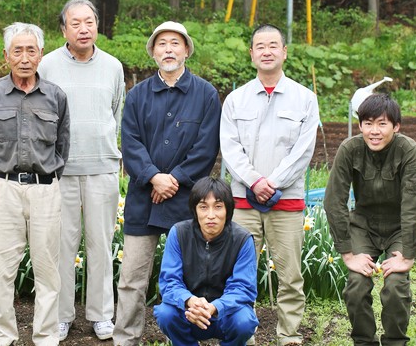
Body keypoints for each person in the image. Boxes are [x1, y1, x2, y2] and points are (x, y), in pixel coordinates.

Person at [113, 21, 221, 346]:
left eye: (176, 43)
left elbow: (206, 148)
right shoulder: (138, 95)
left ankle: (188, 336)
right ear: (153, 52)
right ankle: (125, 339)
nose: (169, 49)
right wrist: (153, 177)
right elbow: (130, 142)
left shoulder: (205, 94)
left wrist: (174, 179)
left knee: (194, 275)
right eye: (162, 44)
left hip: (187, 200)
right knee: (132, 276)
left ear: (187, 50)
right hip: (143, 199)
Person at [220, 24, 319, 346]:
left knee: (289, 274)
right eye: (260, 46)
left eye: (273, 45)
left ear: (284, 52)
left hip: (286, 202)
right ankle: (242, 334)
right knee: (239, 273)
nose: (267, 51)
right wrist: (254, 181)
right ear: (251, 54)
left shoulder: (305, 98)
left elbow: (303, 150)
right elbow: (230, 148)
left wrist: (272, 183)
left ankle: (288, 334)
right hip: (243, 203)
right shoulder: (236, 100)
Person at [0, 23, 70, 346]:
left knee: (47, 270)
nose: (25, 57)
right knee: (2, 270)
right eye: (18, 50)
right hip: (4, 189)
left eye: (31, 50)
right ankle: (3, 338)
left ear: (41, 54)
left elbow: (62, 147)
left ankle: (45, 337)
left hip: (46, 190)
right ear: (6, 55)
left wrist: (47, 177)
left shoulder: (56, 96)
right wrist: (1, 179)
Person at [37, 0, 125, 341]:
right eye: (76, 23)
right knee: (61, 245)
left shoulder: (113, 67)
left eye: (89, 22)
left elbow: (115, 113)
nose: (84, 29)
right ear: (63, 30)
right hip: (60, 170)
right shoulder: (47, 65)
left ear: (98, 25)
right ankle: (61, 315)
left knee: (101, 244)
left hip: (102, 167)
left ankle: (102, 315)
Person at [324, 93, 416, 346]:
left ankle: (394, 342)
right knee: (357, 285)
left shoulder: (407, 150)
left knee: (395, 286)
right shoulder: (350, 149)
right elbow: (334, 200)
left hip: (399, 228)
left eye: (382, 123)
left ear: (396, 126)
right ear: (360, 126)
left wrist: (408, 255)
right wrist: (348, 254)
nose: (374, 131)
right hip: (364, 225)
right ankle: (364, 342)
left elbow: (415, 203)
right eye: (368, 123)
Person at [153, 177, 259, 346]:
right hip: (190, 313)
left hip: (226, 315)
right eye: (203, 207)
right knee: (166, 313)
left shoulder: (242, 239)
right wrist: (190, 301)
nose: (211, 215)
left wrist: (215, 307)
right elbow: (169, 281)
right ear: (195, 210)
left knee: (244, 321)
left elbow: (243, 288)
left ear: (228, 210)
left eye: (218, 207)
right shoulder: (179, 233)